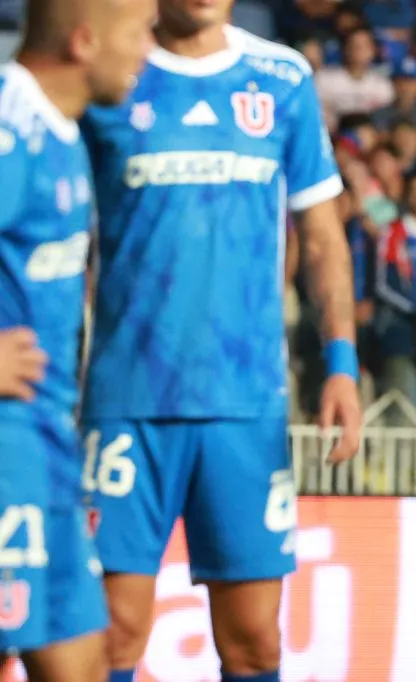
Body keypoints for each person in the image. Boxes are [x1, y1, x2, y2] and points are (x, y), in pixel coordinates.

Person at [79, 1, 364, 681]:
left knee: (255, 642)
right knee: (113, 635)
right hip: (126, 401)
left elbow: (321, 237)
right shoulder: (111, 72)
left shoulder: (281, 77)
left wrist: (341, 363)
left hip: (245, 405)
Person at [0, 0, 155, 679]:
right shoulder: (10, 129)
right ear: (85, 42)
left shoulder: (63, 130)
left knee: (86, 662)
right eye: (140, 33)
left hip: (47, 445)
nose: (148, 50)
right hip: (6, 448)